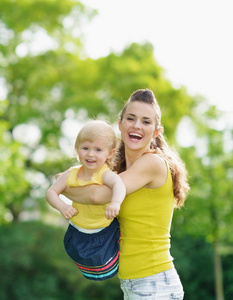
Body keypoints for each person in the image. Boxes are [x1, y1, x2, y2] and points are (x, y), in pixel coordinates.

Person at [62, 88, 190, 299]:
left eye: (146, 121)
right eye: (131, 118)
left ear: (156, 132)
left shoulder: (152, 163)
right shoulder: (118, 171)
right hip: (134, 284)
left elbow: (96, 196)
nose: (137, 125)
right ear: (120, 124)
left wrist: (62, 185)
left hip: (155, 283)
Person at [46, 120, 126, 281]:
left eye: (98, 149)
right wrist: (62, 207)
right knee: (79, 256)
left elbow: (119, 184)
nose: (90, 154)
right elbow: (51, 192)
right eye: (85, 148)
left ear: (110, 153)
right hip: (77, 230)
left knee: (107, 266)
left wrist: (115, 203)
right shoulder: (72, 173)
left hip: (104, 230)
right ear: (77, 150)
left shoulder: (105, 174)